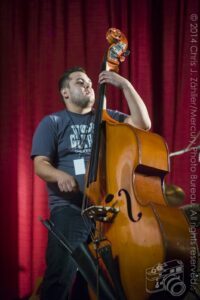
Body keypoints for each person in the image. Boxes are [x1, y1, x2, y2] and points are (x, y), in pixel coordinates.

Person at [31, 66, 151, 300]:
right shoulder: (53, 122)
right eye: (79, 82)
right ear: (65, 92)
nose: (88, 85)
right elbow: (40, 164)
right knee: (60, 277)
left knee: (114, 282)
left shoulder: (108, 118)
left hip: (110, 210)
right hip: (71, 209)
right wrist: (59, 175)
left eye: (89, 82)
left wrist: (125, 85)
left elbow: (143, 124)